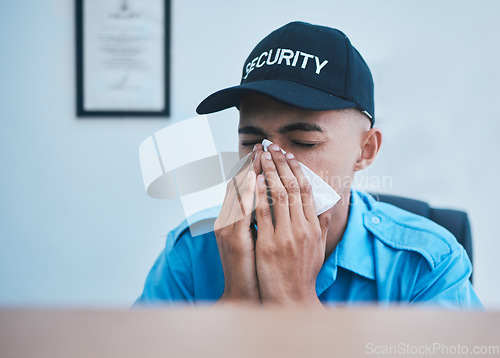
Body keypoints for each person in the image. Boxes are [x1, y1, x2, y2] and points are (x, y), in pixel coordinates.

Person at [135, 21, 481, 308]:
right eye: (251, 142)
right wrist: (237, 303)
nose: (268, 161)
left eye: (304, 142)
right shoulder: (192, 251)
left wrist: (296, 302)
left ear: (365, 150)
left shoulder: (426, 264)